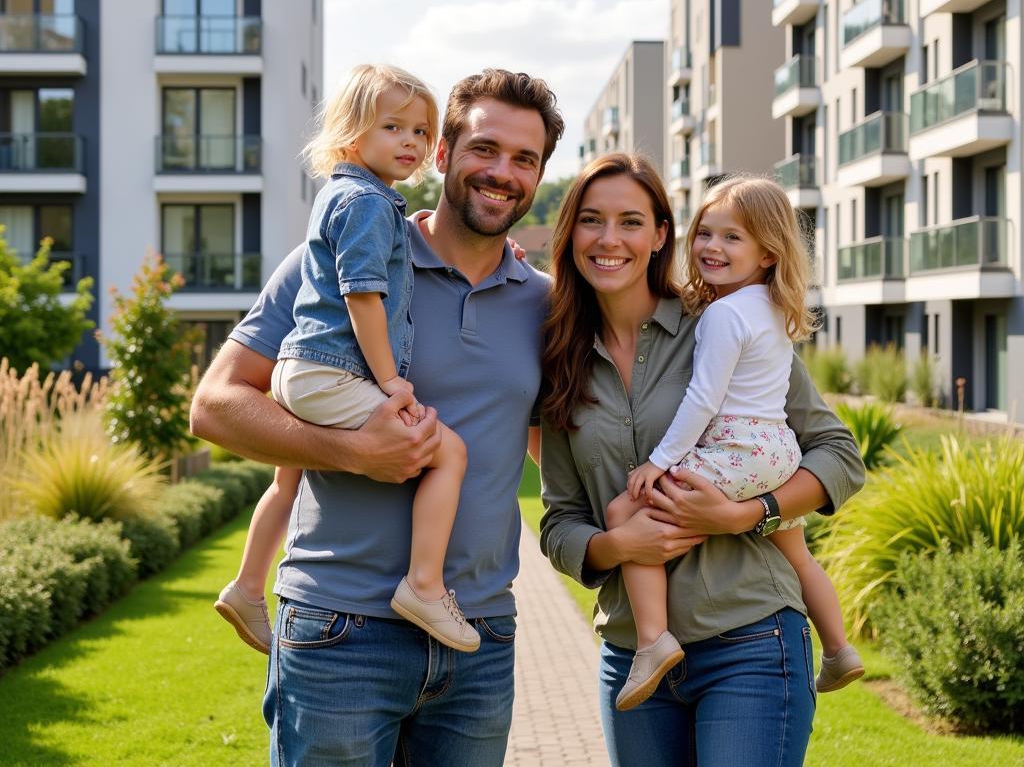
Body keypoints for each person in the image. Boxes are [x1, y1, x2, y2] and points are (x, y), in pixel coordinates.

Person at [191, 68, 564, 766]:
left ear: (540, 174)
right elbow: (214, 406)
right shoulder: (334, 257)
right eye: (484, 149)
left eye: (525, 159)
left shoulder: (543, 304)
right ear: (443, 155)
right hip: (340, 636)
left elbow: (556, 451)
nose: (502, 172)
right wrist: (355, 452)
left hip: (479, 638)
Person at [538, 153, 865, 767]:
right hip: (635, 656)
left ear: (661, 234)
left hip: (751, 640)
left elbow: (839, 456)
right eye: (591, 220)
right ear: (570, 233)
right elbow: (559, 522)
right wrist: (619, 546)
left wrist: (753, 515)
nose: (610, 239)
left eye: (630, 221)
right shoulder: (560, 362)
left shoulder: (719, 322)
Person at [215, 64, 480, 657]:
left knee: (288, 474)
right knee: (451, 452)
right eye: (394, 127)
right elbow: (363, 295)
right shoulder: (367, 204)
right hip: (333, 370)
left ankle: (247, 586)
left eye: (419, 131)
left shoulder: (342, 196)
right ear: (352, 133)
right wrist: (391, 382)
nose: (410, 142)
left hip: (298, 370)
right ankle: (424, 586)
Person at [606, 174, 862, 710]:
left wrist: (660, 461)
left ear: (768, 253)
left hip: (738, 447)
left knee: (624, 509)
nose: (711, 248)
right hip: (777, 453)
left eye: (732, 238)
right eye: (705, 233)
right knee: (796, 551)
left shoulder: (722, 314)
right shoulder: (770, 306)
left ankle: (652, 641)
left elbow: (702, 399)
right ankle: (839, 649)